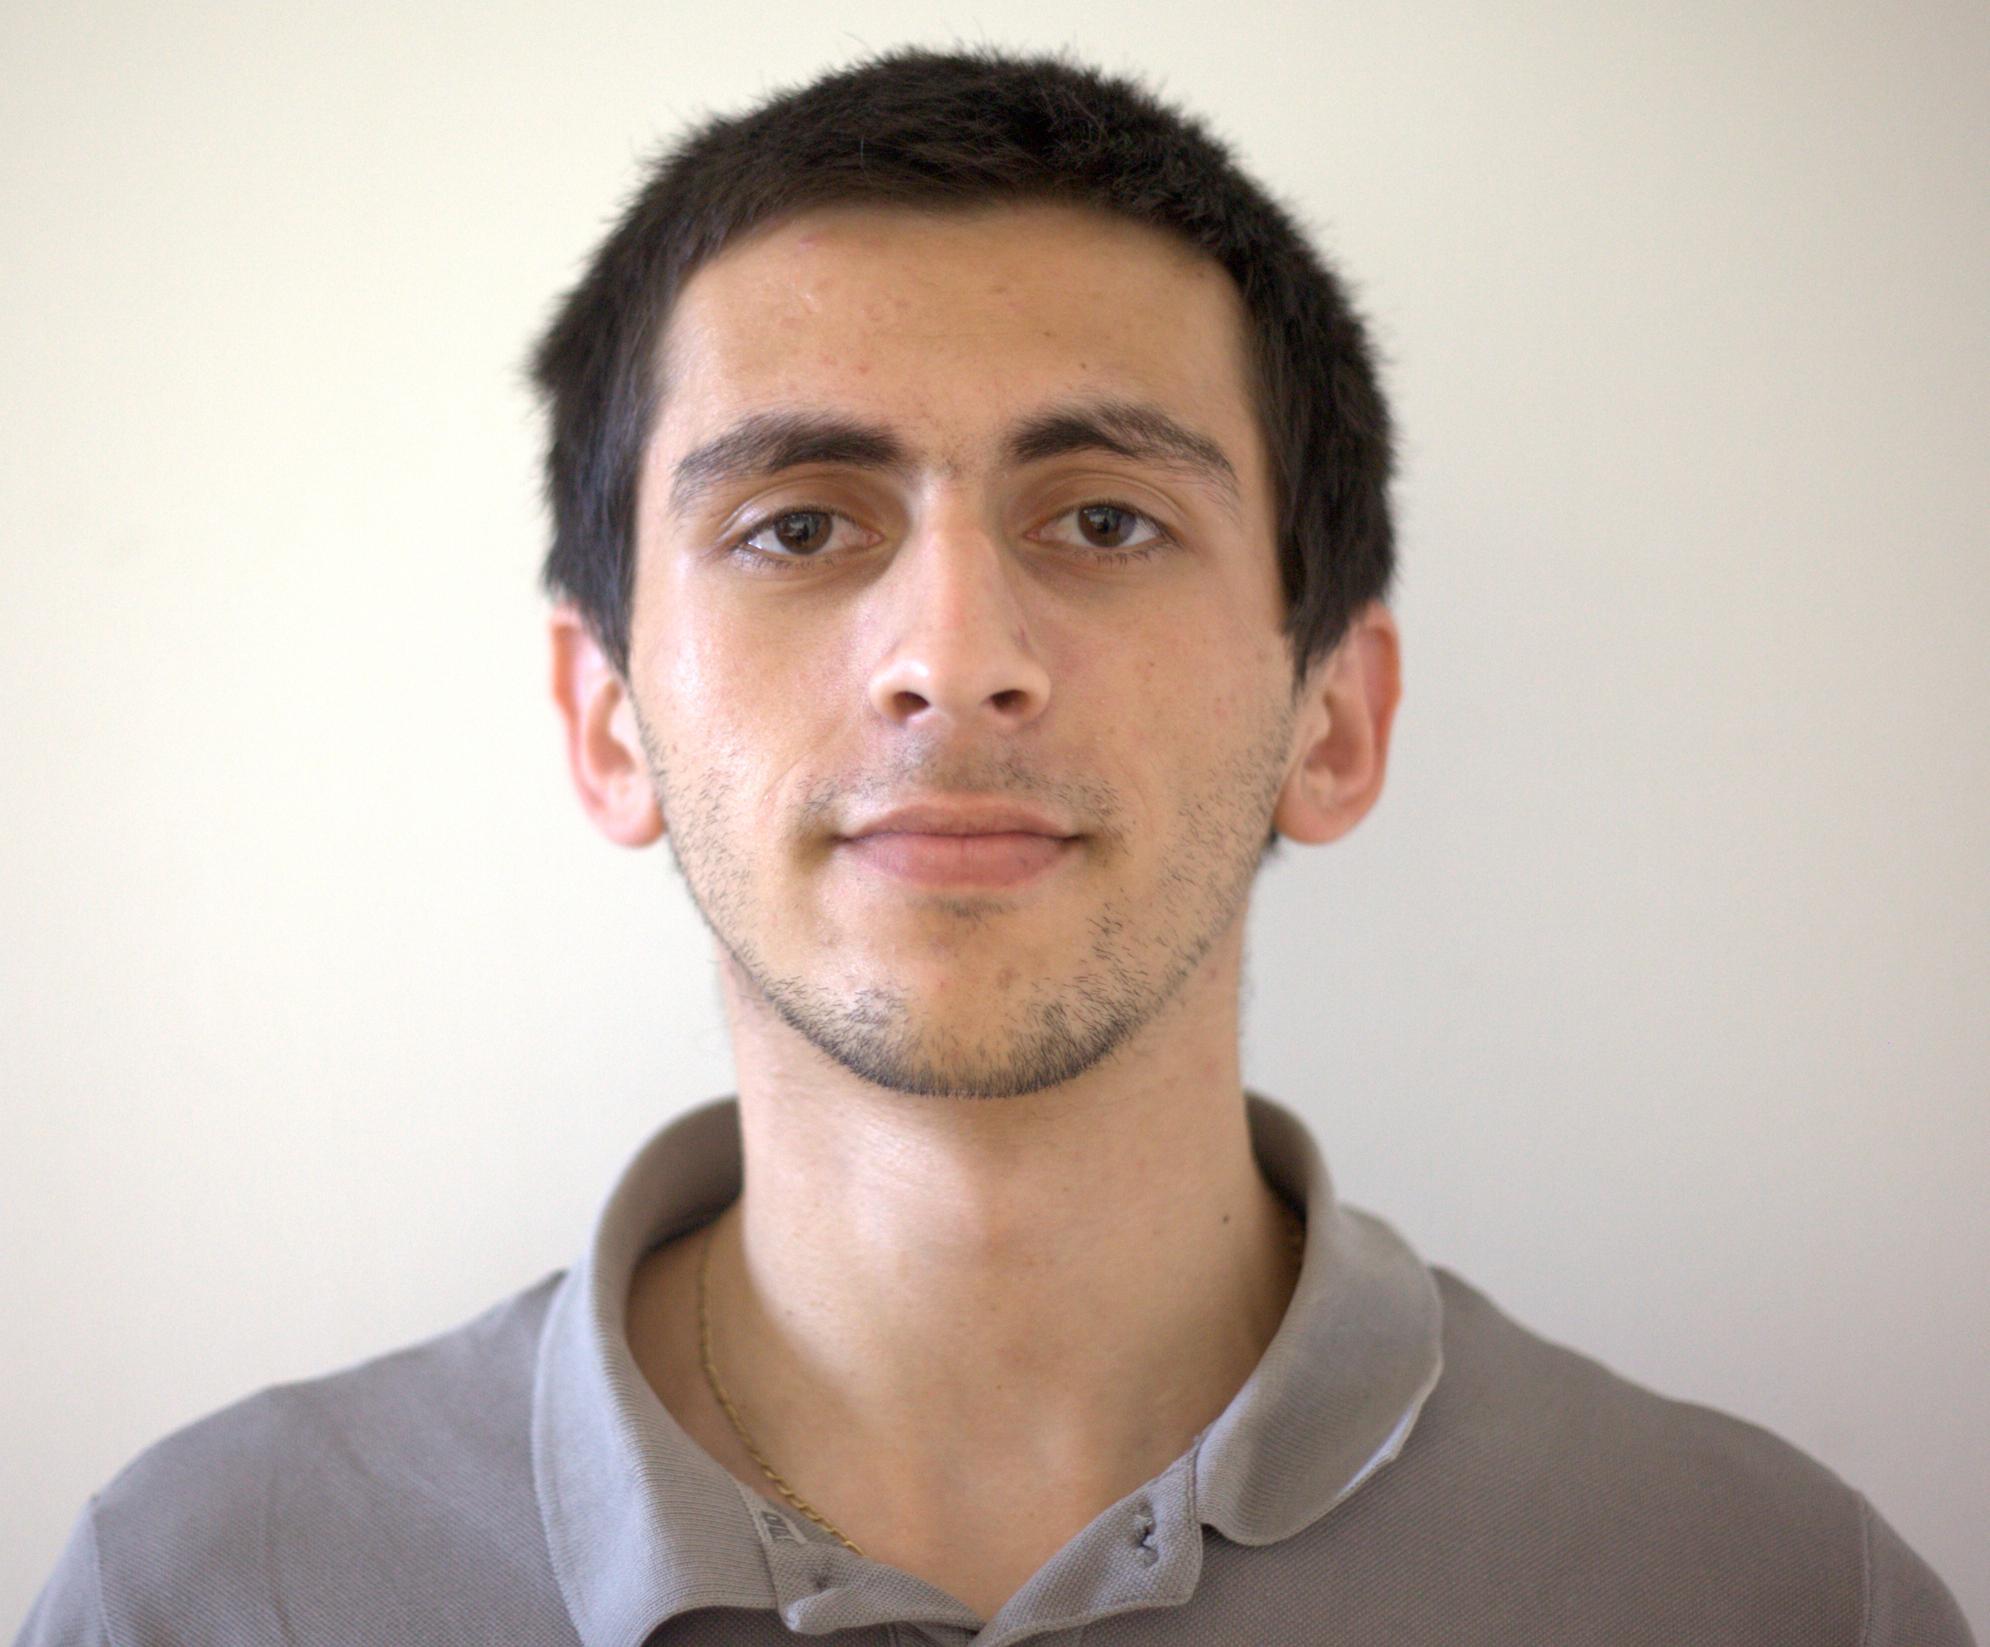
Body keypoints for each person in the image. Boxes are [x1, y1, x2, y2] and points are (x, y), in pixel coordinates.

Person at [15, 46, 1973, 1647]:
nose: (950, 656)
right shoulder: (210, 1592)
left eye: (1104, 519)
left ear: (1334, 717)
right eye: (797, 525)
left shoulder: (1769, 1597)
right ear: (607, 722)